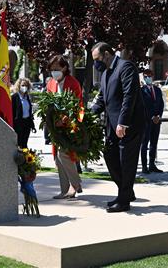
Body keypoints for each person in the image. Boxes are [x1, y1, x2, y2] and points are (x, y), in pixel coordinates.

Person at [91, 42, 145, 213]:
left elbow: (130, 95)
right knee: (110, 156)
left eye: (97, 59)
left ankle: (124, 200)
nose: (96, 63)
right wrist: (86, 116)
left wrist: (123, 122)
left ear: (107, 54)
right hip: (111, 126)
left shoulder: (126, 67)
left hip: (128, 125)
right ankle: (126, 191)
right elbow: (102, 99)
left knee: (126, 162)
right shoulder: (106, 73)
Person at [46, 55, 83, 199]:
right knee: (57, 158)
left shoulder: (73, 83)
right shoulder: (50, 83)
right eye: (52, 69)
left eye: (57, 69)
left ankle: (75, 185)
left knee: (64, 155)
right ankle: (64, 190)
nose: (54, 72)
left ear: (65, 68)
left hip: (70, 125)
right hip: (56, 126)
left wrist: (67, 120)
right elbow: (48, 104)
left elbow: (78, 104)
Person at [140, 69, 164, 174]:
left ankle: (152, 164)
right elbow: (142, 107)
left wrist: (158, 116)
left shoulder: (157, 90)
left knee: (154, 143)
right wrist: (151, 117)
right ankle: (144, 166)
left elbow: (161, 104)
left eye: (149, 76)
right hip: (146, 121)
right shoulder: (141, 91)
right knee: (144, 144)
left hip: (156, 121)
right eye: (145, 76)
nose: (148, 78)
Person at [12, 78, 36, 149]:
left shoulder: (27, 97)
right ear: (19, 86)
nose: (24, 87)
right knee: (19, 143)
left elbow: (29, 111)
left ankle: (25, 158)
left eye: (26, 85)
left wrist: (32, 125)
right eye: (22, 85)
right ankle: (21, 158)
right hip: (18, 123)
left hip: (27, 123)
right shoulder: (14, 97)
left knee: (25, 143)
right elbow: (13, 111)